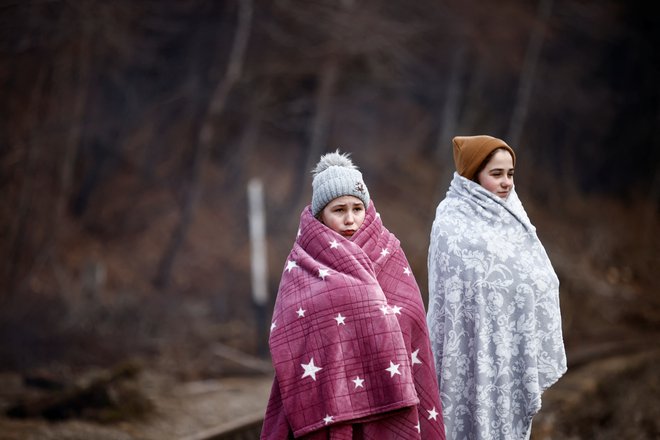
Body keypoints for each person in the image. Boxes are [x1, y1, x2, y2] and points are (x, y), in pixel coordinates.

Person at [262, 151, 445, 439]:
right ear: (321, 213)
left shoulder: (390, 252)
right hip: (327, 396)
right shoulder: (302, 262)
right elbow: (289, 332)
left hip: (391, 398)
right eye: (339, 210)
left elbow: (410, 316)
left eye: (357, 208)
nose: (350, 219)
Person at [426, 135, 567, 440]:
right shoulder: (450, 222)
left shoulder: (514, 217)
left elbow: (541, 276)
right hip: (466, 351)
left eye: (510, 174)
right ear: (473, 175)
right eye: (496, 174)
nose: (506, 183)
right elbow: (450, 299)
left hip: (508, 346)